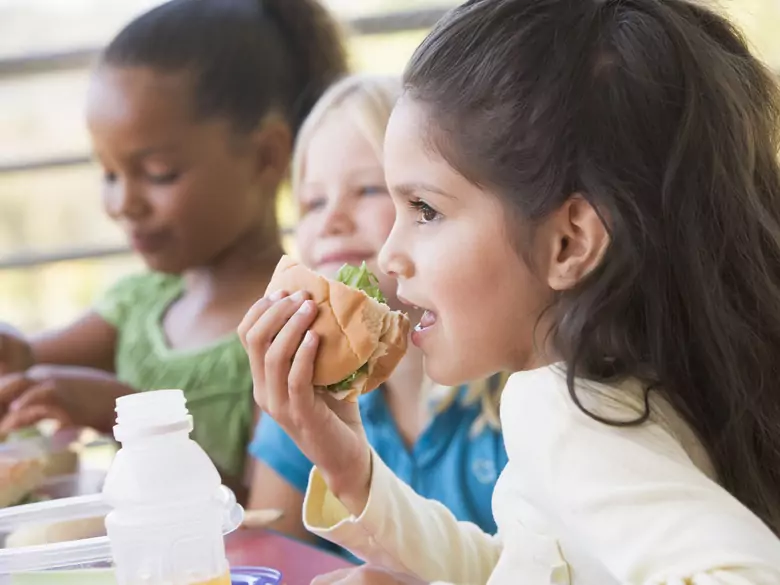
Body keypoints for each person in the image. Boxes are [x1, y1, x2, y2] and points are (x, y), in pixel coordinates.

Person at [239, 0, 780, 582]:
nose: (392, 254)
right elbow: (525, 567)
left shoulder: (560, 410)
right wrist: (351, 469)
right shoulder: (629, 384)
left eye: (425, 209)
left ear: (568, 243)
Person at [0, 0, 348, 501]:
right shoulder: (137, 305)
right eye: (110, 174)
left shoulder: (294, 328)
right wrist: (13, 355)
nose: (123, 204)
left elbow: (263, 515)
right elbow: (26, 363)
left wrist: (127, 414)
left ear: (265, 157)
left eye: (158, 173)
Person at [246, 74, 507, 549]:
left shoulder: (520, 394)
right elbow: (270, 555)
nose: (330, 220)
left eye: (367, 190)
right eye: (313, 201)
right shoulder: (306, 385)